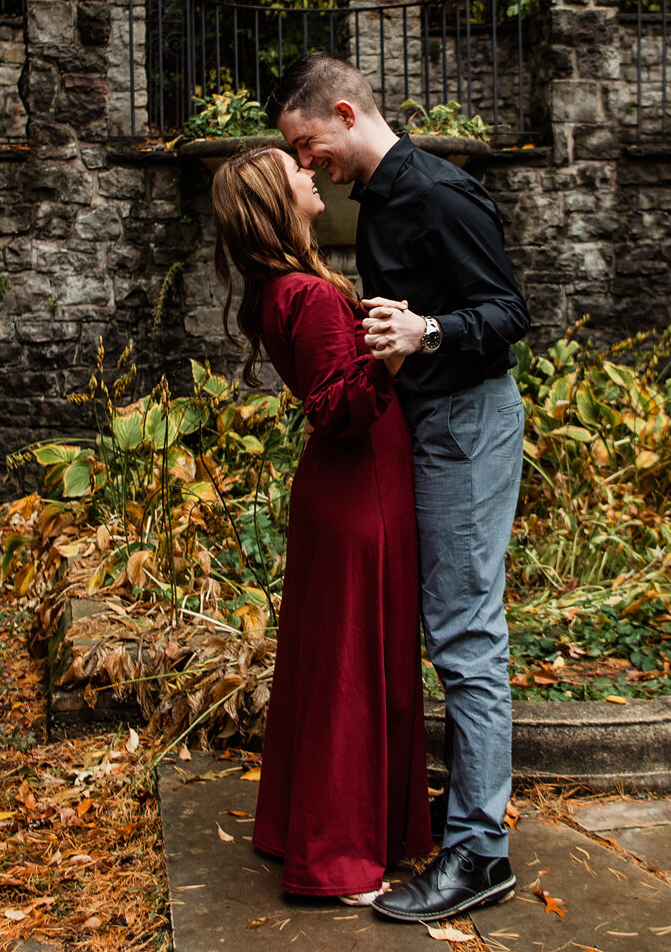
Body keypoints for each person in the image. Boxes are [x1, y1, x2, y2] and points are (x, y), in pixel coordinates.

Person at [268, 56, 531, 924]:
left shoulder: (443, 194)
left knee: (465, 633)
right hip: (429, 425)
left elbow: (510, 316)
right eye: (296, 160)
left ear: (345, 113)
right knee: (449, 626)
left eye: (306, 147)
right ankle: (449, 828)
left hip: (467, 423)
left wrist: (427, 330)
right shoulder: (376, 198)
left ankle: (479, 851)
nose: (306, 168)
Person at [210, 145, 433, 904]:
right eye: (295, 171)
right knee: (350, 676)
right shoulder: (303, 292)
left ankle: (316, 830)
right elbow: (337, 407)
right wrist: (394, 357)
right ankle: (338, 859)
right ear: (276, 198)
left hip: (348, 492)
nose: (311, 174)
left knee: (334, 666)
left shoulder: (283, 289)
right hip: (357, 492)